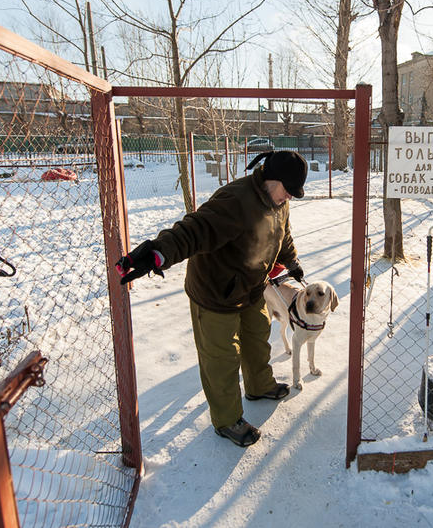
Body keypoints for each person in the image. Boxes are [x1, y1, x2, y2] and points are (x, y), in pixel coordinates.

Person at [116, 150, 308, 447]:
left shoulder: (277, 201)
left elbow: (283, 234)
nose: (290, 198)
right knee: (221, 358)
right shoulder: (236, 201)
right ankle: (227, 419)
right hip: (216, 292)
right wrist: (158, 253)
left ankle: (259, 386)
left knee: (257, 337)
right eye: (288, 191)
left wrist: (291, 260)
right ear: (271, 178)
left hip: (251, 287)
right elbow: (194, 229)